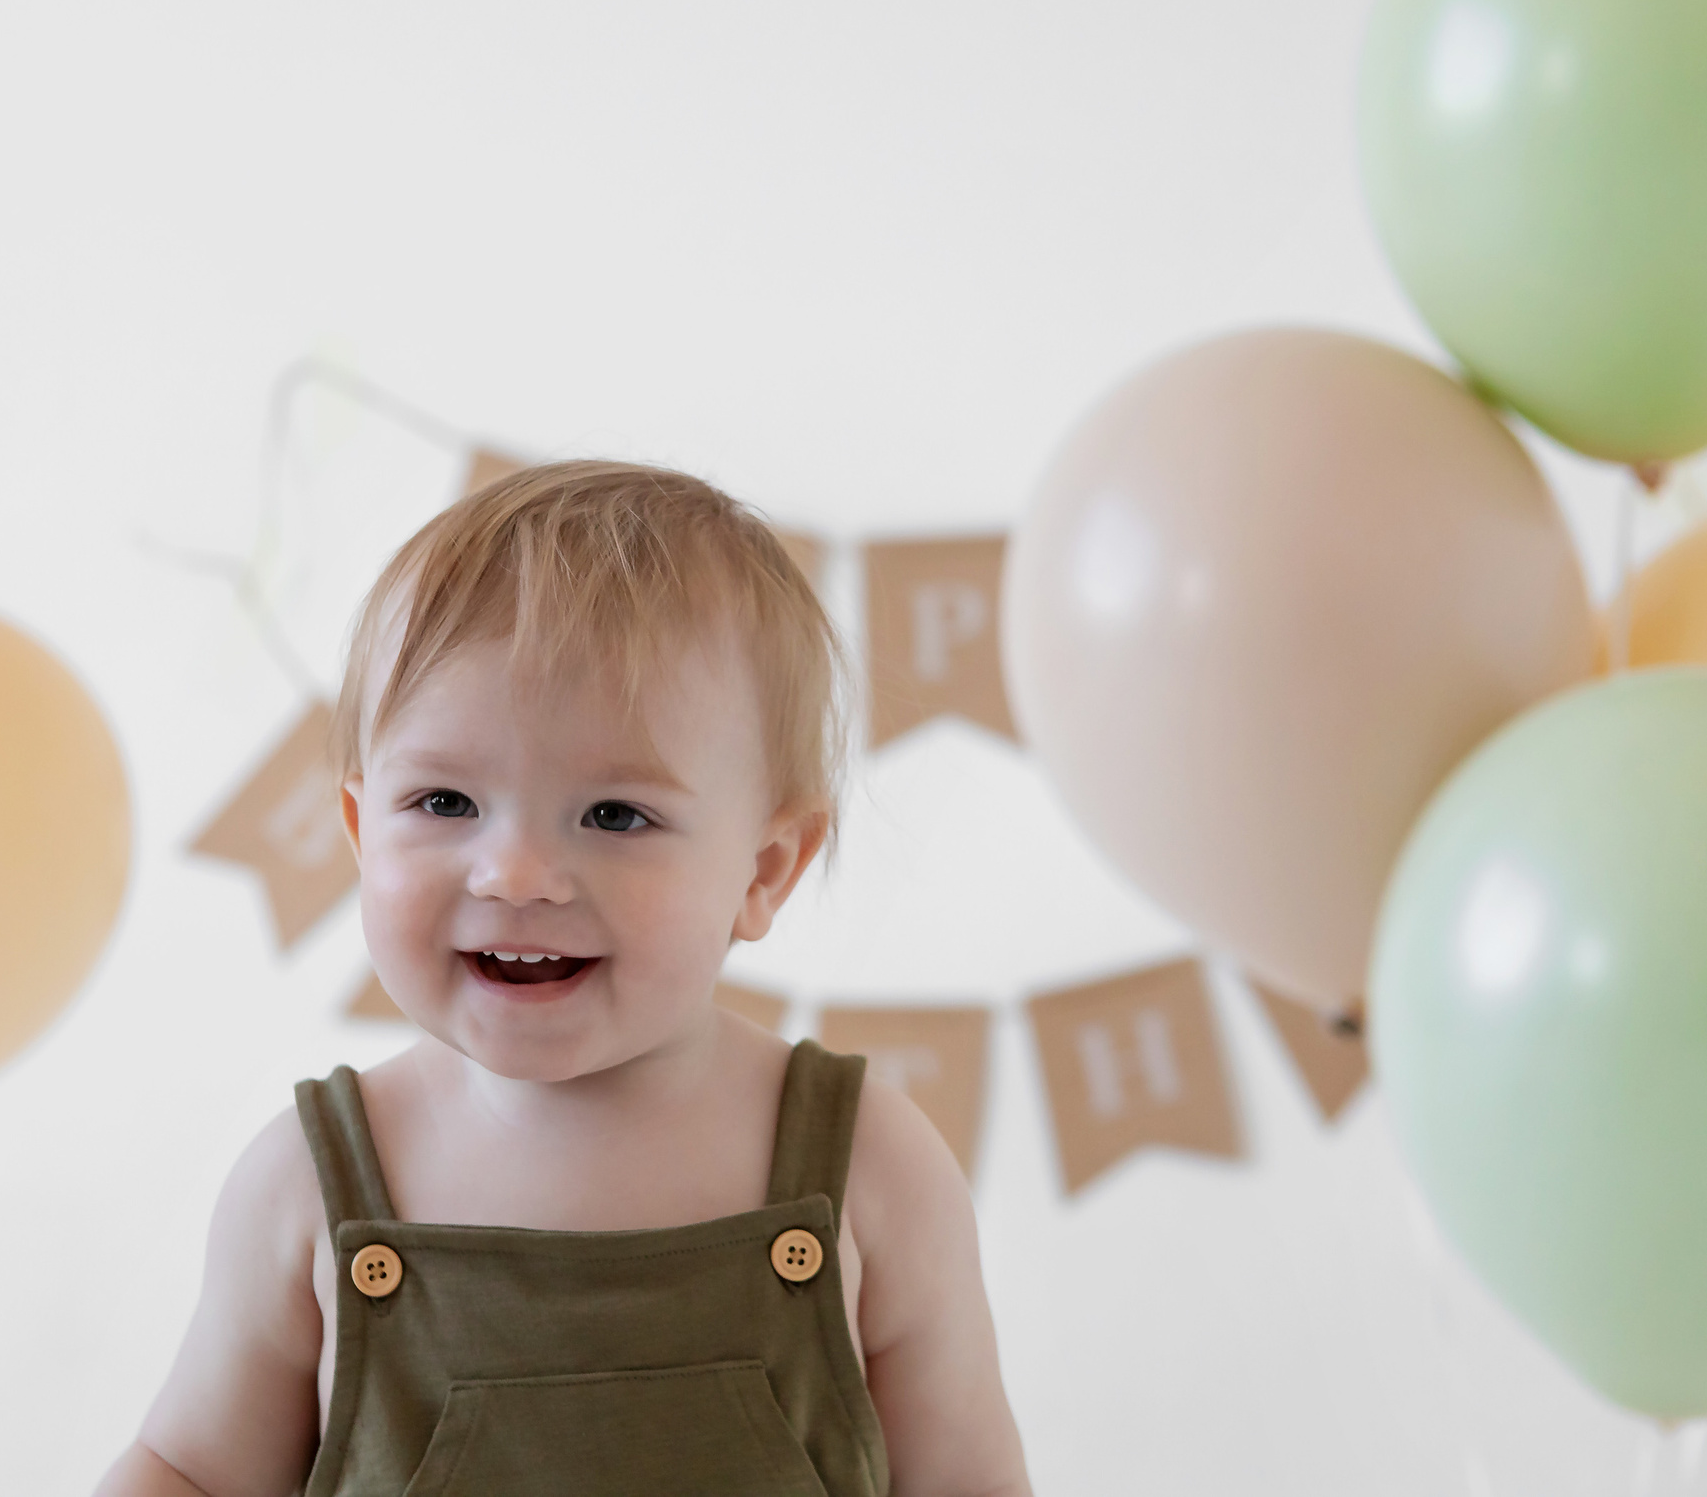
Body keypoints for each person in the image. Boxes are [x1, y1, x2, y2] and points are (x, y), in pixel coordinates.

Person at [97, 460, 1031, 1497]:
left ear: (764, 871)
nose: (515, 875)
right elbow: (189, 1471)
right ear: (360, 831)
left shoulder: (870, 1168)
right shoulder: (307, 1189)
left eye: (615, 816)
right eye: (445, 802)